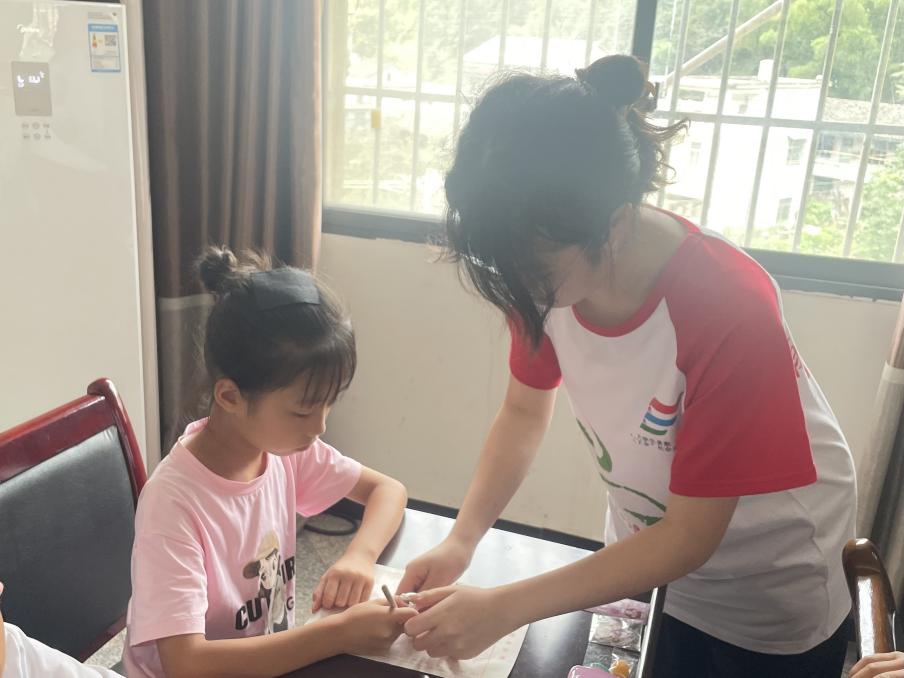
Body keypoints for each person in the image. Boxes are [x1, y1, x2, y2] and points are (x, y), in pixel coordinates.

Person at [397, 55, 856, 678]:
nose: (514, 287)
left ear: (613, 227)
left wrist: (505, 607)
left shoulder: (729, 308)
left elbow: (690, 537)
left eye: (529, 269)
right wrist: (462, 539)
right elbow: (524, 410)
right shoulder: (544, 272)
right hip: (644, 563)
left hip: (767, 582)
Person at [123, 247, 417, 678]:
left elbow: (388, 491)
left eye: (329, 405)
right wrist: (336, 634)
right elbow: (186, 665)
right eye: (302, 411)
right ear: (230, 396)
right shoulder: (173, 504)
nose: (319, 427)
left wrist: (359, 556)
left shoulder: (281, 452)